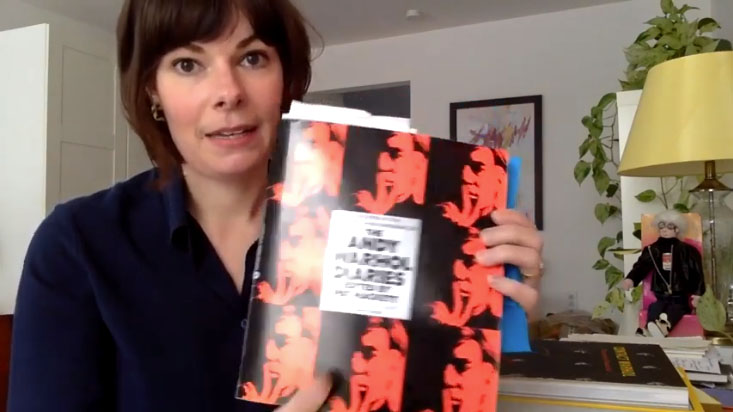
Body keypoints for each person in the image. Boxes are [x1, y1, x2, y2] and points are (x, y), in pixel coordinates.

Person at [7, 0, 544, 411]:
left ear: (285, 79)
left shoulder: (380, 217)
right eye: (188, 64)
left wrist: (498, 312)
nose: (228, 92)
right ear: (152, 88)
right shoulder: (77, 244)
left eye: (251, 57)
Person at [622, 210, 704, 337]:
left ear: (677, 229)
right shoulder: (652, 249)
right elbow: (641, 266)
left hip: (680, 294)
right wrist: (631, 279)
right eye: (661, 226)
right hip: (660, 293)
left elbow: (697, 273)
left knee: (677, 309)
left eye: (669, 226)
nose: (665, 230)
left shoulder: (688, 251)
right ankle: (648, 330)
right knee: (654, 308)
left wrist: (698, 294)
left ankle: (664, 326)